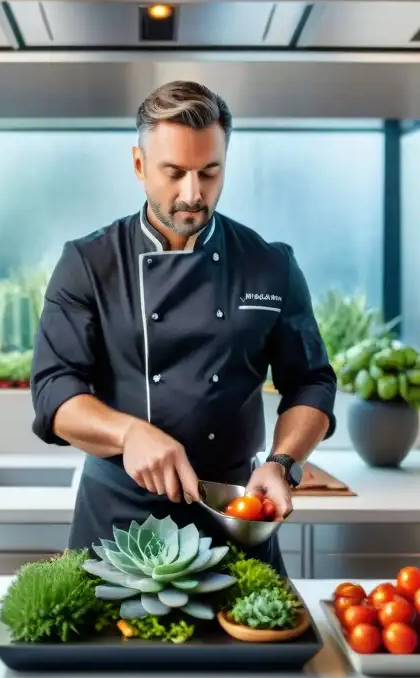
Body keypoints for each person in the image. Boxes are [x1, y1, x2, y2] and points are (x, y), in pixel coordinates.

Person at [29, 80, 337, 575]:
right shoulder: (88, 263)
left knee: (251, 652)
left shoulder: (268, 264)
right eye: (173, 173)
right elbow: (53, 392)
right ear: (138, 165)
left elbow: (312, 382)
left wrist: (282, 463)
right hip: (117, 524)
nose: (193, 194)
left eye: (209, 173)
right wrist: (129, 434)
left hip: (234, 515)